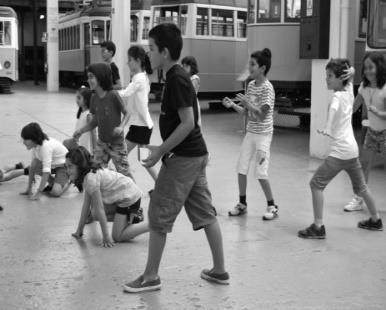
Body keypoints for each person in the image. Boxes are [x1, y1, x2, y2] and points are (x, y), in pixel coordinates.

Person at [123, 23, 229, 293]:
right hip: (194, 155)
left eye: (152, 49)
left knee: (158, 212)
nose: (149, 54)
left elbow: (188, 123)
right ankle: (219, 270)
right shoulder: (175, 77)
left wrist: (160, 151)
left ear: (165, 52)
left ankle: (150, 277)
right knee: (205, 213)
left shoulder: (177, 80)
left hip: (184, 158)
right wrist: (162, 146)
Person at [298, 58, 383, 239]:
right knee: (361, 188)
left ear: (339, 78)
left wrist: (328, 127)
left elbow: (334, 109)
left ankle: (318, 226)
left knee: (315, 184)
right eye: (326, 75)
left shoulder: (337, 96)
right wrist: (351, 71)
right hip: (352, 150)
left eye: (330, 76)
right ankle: (376, 220)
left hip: (340, 152)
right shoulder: (349, 92)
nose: (326, 79)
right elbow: (350, 73)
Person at [222, 48, 278, 221]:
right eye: (249, 64)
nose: (249, 67)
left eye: (252, 64)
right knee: (241, 168)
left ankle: (272, 206)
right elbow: (246, 113)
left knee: (261, 173)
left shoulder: (267, 89)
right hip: (250, 133)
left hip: (263, 136)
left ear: (262, 68)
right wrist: (233, 105)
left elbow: (261, 114)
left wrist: (247, 103)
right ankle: (242, 204)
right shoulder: (251, 86)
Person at [68, 147, 148, 247]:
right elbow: (86, 205)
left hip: (129, 198)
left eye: (70, 166)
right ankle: (130, 218)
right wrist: (79, 231)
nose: (67, 170)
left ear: (80, 166)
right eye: (66, 166)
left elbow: (100, 209)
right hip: (123, 195)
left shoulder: (91, 179)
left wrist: (106, 237)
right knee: (94, 214)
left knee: (117, 237)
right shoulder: (88, 176)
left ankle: (151, 225)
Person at [73, 63, 133, 180]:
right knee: (95, 172)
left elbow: (127, 113)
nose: (88, 80)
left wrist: (121, 127)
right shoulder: (94, 98)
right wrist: (81, 130)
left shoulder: (113, 95)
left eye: (91, 77)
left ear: (100, 77)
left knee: (125, 173)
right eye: (88, 77)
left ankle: (136, 195)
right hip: (102, 144)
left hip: (117, 144)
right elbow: (94, 122)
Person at [344, 52, 386, 212]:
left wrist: (378, 113)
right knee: (364, 165)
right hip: (372, 132)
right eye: (366, 68)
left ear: (380, 68)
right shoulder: (364, 87)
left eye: (371, 67)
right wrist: (342, 114)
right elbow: (354, 106)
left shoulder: (384, 89)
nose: (368, 71)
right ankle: (359, 198)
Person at [117, 45, 157, 181]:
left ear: (138, 61)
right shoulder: (142, 77)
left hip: (140, 127)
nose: (127, 63)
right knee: (143, 159)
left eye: (130, 60)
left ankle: (130, 185)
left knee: (120, 157)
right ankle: (159, 183)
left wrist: (108, 93)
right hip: (143, 125)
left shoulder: (139, 78)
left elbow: (125, 93)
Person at [20, 122, 70, 200]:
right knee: (34, 164)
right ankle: (54, 182)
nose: (23, 142)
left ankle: (69, 181)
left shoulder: (45, 147)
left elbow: (46, 172)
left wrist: (38, 193)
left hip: (64, 166)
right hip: (53, 165)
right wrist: (28, 189)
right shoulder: (35, 145)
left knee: (55, 192)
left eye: (26, 139)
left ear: (34, 139)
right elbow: (32, 168)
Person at [63, 86, 96, 155]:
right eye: (76, 97)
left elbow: (94, 134)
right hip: (79, 145)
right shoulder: (82, 113)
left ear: (86, 99)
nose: (76, 100)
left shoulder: (88, 115)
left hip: (86, 148)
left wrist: (95, 150)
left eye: (79, 98)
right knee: (65, 143)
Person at [181, 56, 202, 126]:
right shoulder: (186, 77)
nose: (183, 68)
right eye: (183, 66)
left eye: (186, 66)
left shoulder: (195, 78)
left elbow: (189, 93)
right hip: (186, 103)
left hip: (192, 103)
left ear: (192, 67)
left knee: (193, 123)